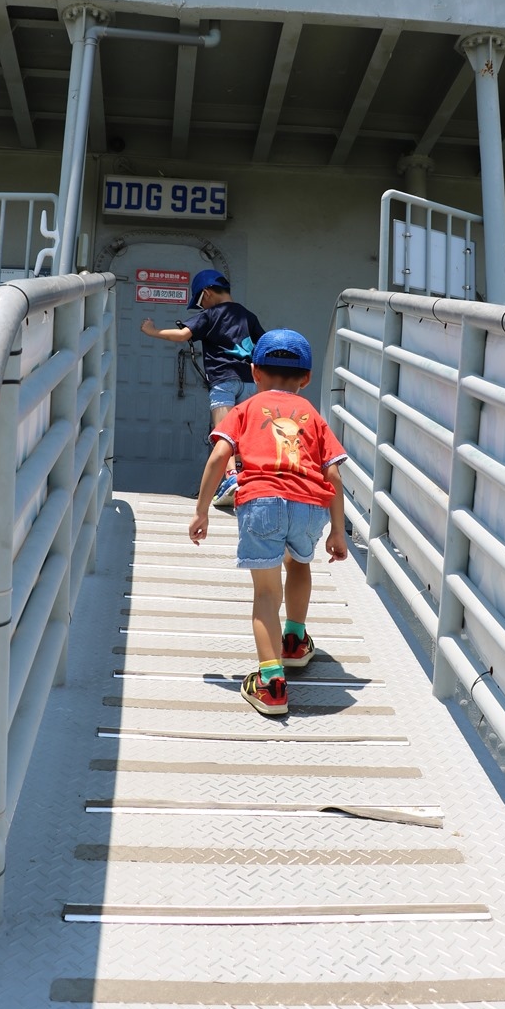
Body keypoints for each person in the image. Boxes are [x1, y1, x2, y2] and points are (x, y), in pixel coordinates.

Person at [189, 328, 348, 716]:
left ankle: (271, 683)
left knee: (265, 595)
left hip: (261, 502)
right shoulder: (313, 416)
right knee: (299, 563)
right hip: (311, 504)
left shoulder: (244, 410)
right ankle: (294, 641)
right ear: (307, 378)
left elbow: (217, 458)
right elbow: (334, 476)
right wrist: (339, 532)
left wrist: (202, 509)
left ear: (255, 372)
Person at [141, 268, 264, 508]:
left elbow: (181, 335)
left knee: (224, 432)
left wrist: (152, 331)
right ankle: (242, 477)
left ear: (206, 293)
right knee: (244, 433)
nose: (201, 308)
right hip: (250, 382)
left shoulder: (210, 315)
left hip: (222, 381)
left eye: (199, 302)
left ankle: (230, 479)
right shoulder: (248, 316)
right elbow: (265, 343)